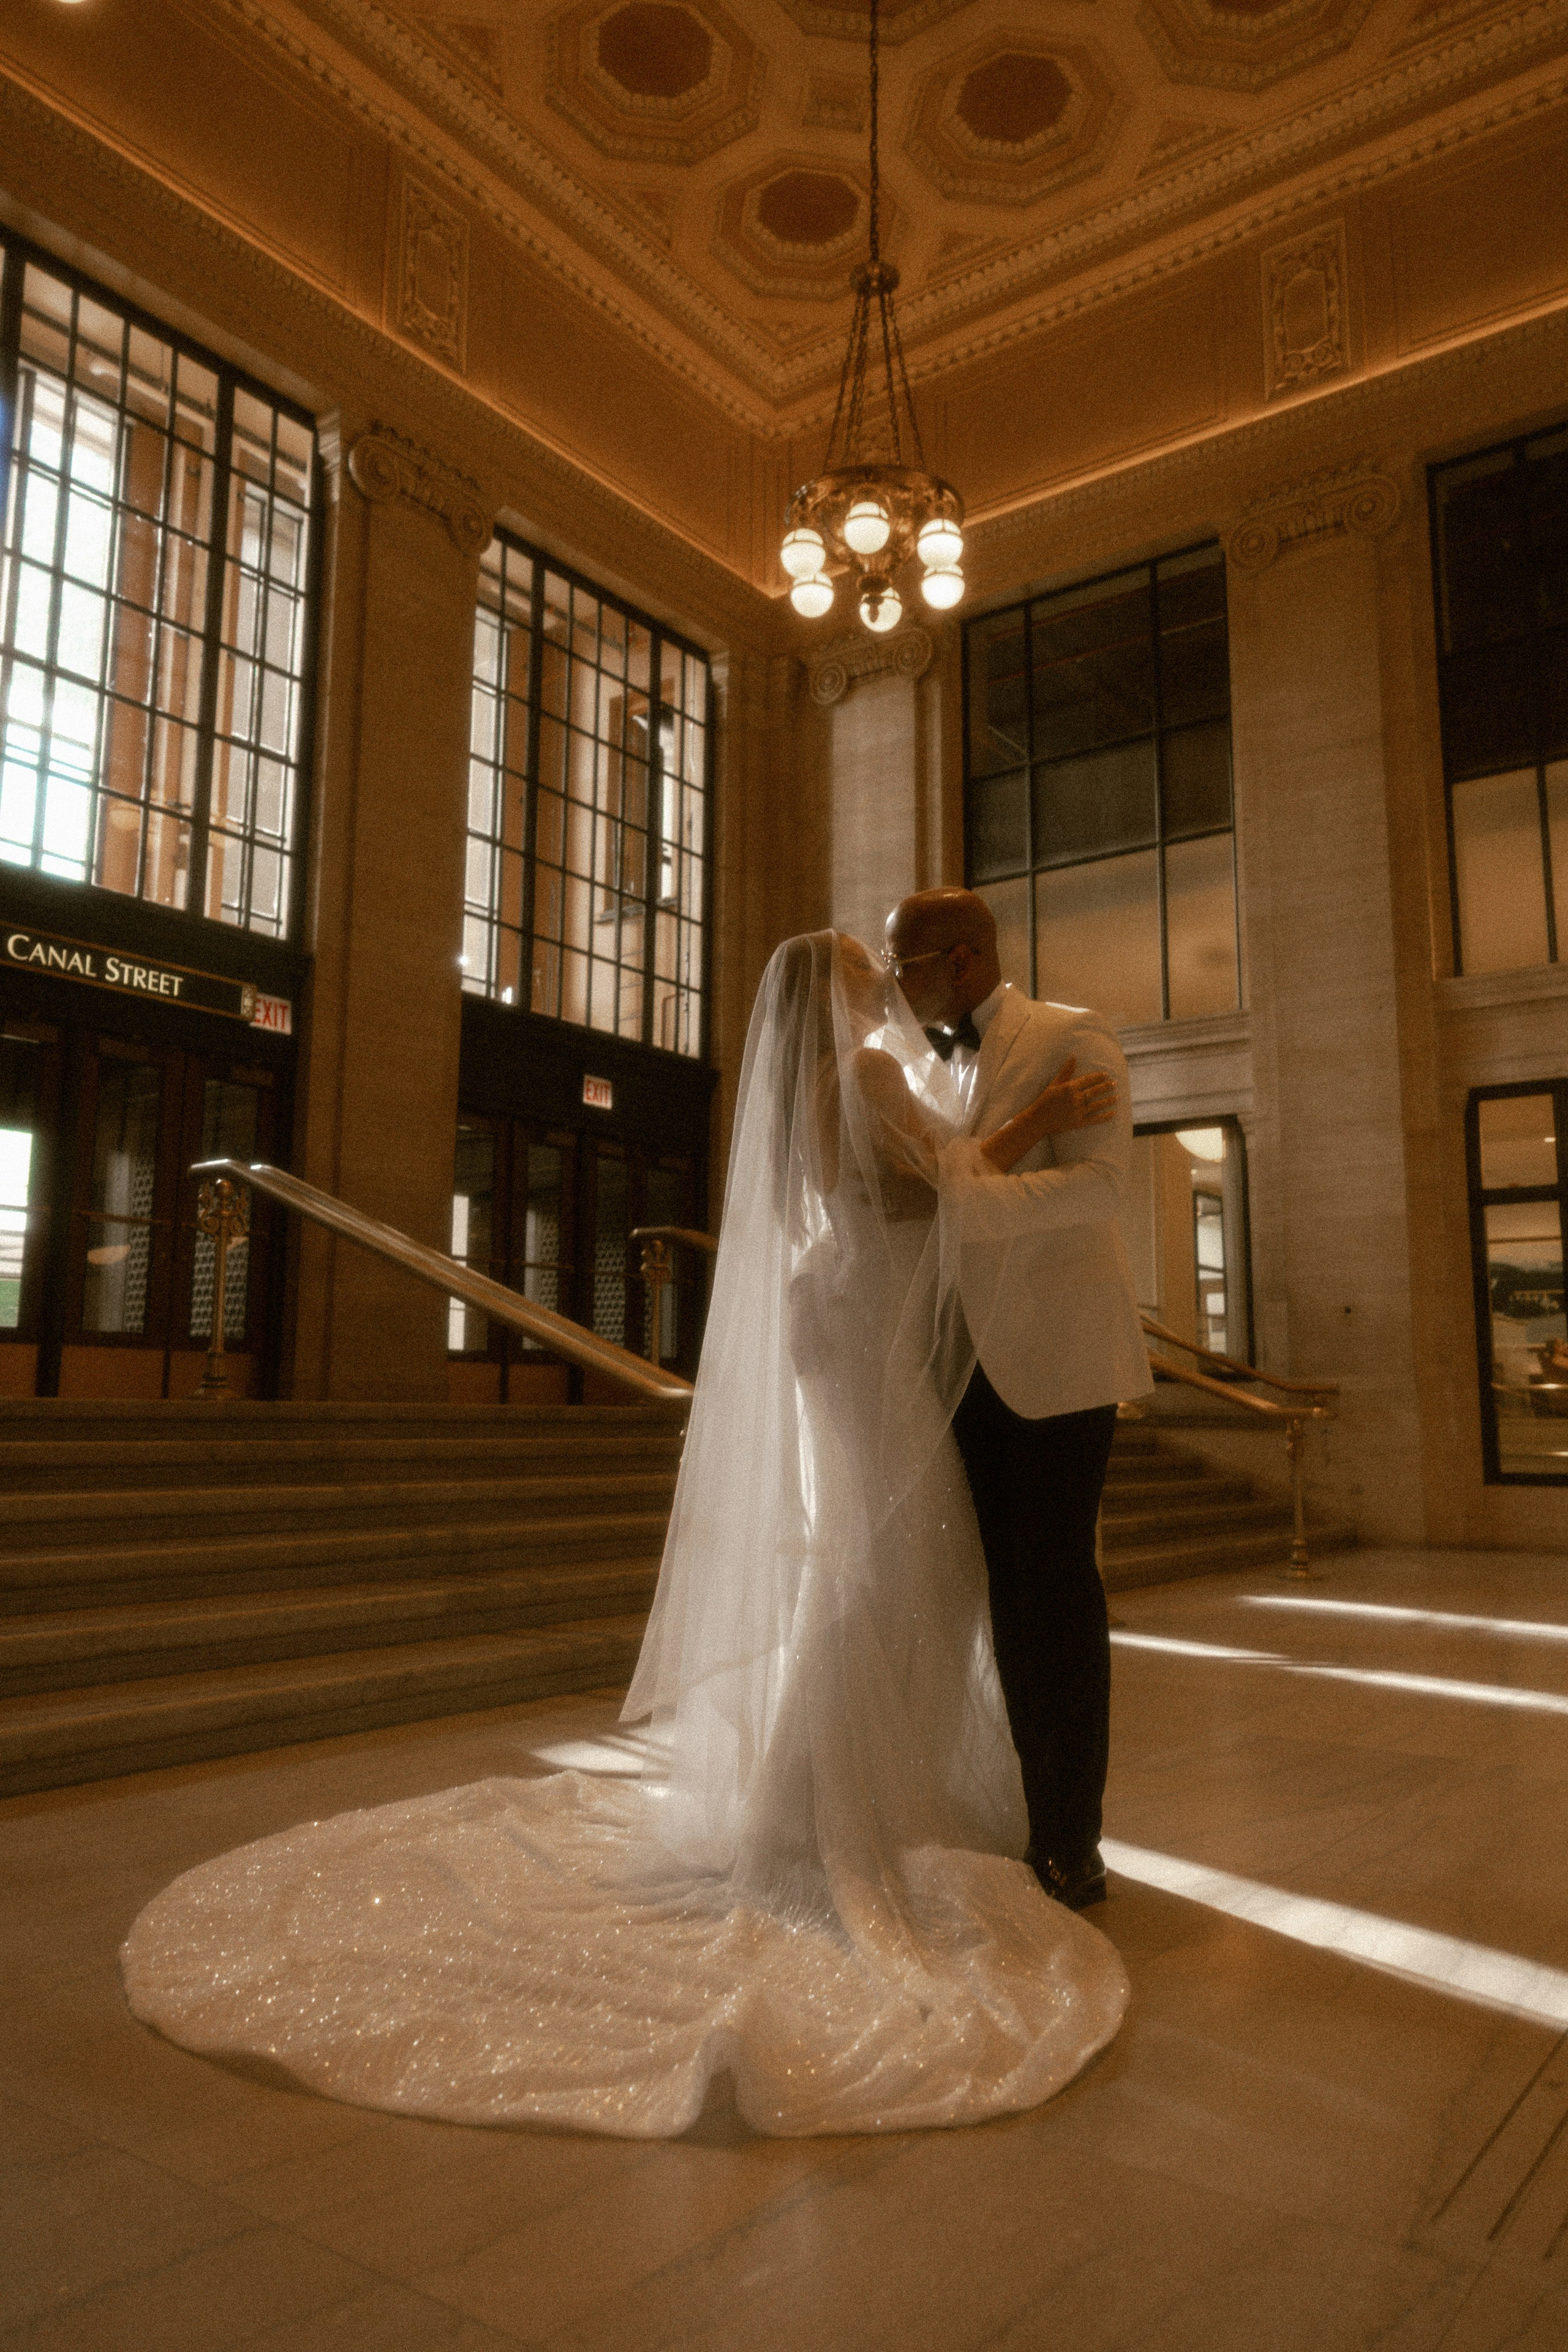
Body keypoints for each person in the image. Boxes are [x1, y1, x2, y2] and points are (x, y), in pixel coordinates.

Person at [121, 934, 1131, 2139]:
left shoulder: (825, 1079)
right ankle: (836, 1807)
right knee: (895, 1561)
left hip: (852, 1309)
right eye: (871, 962)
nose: (887, 972)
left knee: (893, 1559)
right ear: (843, 989)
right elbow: (924, 1187)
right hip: (866, 1319)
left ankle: (835, 1795)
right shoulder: (860, 1071)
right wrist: (1043, 1118)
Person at [884, 889, 1154, 1912]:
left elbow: (1098, 1190)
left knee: (1054, 1596)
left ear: (959, 962)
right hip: (955, 1368)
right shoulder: (925, 1068)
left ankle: (1071, 1838)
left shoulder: (1074, 1038)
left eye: (905, 965)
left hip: (1056, 1364)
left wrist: (959, 1201)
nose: (895, 986)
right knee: (994, 1597)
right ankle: (1013, 1805)